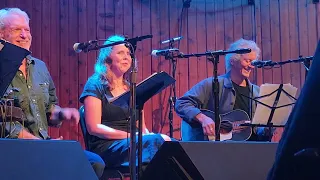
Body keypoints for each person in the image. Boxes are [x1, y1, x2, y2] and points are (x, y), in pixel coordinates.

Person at [0, 8, 105, 178]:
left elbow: (49, 109)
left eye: (27, 29)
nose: (24, 35)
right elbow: (4, 123)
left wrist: (62, 113)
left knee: (94, 163)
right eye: (16, 30)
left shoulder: (39, 67)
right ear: (1, 35)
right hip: (13, 149)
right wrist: (40, 145)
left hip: (42, 145)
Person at [80, 35, 171, 167]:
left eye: (128, 53)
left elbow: (141, 127)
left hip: (132, 141)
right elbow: (93, 127)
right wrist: (130, 136)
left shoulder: (131, 88)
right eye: (120, 52)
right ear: (107, 57)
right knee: (154, 143)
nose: (126, 57)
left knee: (170, 144)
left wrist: (148, 134)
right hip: (106, 146)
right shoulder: (95, 84)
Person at [175, 38, 271, 141]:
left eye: (253, 62)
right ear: (233, 61)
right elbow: (181, 103)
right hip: (218, 150)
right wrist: (203, 119)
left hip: (250, 150)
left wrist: (267, 129)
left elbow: (258, 130)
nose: (251, 66)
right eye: (247, 61)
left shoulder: (257, 92)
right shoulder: (212, 84)